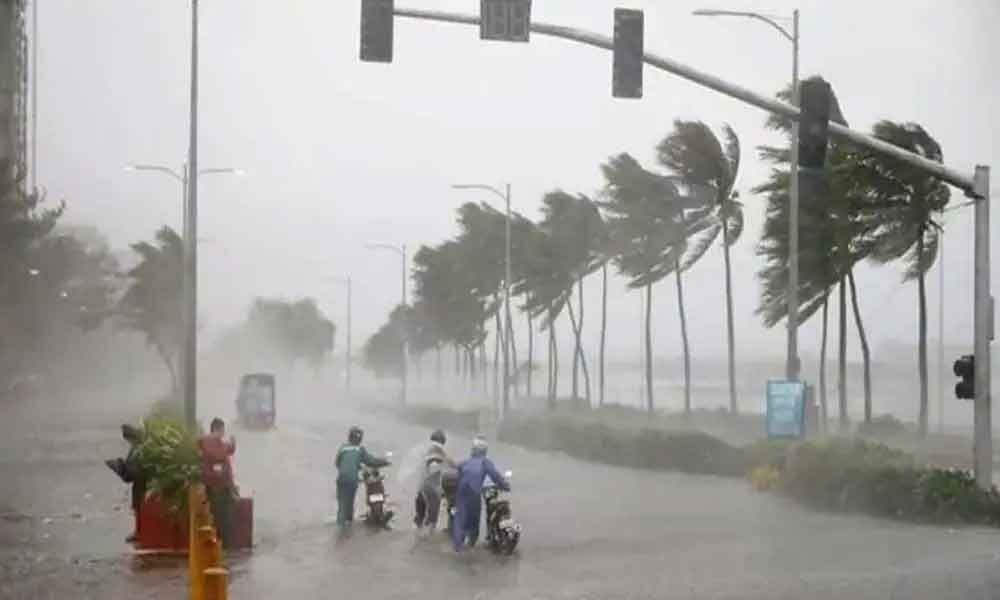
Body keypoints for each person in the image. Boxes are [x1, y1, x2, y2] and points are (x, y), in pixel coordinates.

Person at [452, 435, 509, 553]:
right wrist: (505, 486)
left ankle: (458, 549)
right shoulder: (485, 462)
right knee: (474, 521)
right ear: (485, 451)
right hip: (474, 492)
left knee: (460, 519)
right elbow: (495, 476)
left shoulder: (465, 462)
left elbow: (457, 472)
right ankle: (471, 547)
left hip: (461, 491)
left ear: (472, 450)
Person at [334, 426, 390, 530]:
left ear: (349, 437)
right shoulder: (360, 449)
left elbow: (337, 463)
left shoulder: (342, 448)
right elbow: (371, 461)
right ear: (359, 439)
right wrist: (385, 462)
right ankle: (346, 525)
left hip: (341, 479)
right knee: (349, 503)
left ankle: (341, 528)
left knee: (342, 503)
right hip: (352, 480)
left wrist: (353, 468)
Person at [198, 417, 237, 549]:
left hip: (219, 485)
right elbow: (219, 454)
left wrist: (232, 444)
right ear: (217, 429)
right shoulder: (211, 442)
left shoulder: (214, 442)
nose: (223, 433)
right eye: (222, 430)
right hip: (217, 486)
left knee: (220, 515)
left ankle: (221, 542)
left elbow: (228, 450)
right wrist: (229, 445)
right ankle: (221, 544)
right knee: (221, 516)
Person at [105, 424, 146, 543]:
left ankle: (139, 531)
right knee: (137, 508)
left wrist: (120, 468)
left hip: (141, 484)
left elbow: (132, 473)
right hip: (139, 484)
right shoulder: (137, 448)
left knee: (139, 508)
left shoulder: (138, 450)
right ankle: (139, 531)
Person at [414, 429, 455, 536]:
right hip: (431, 487)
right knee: (433, 512)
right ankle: (428, 535)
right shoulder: (438, 451)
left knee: (421, 511)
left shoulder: (425, 450)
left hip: (421, 486)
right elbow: (448, 464)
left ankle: (418, 532)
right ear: (443, 441)